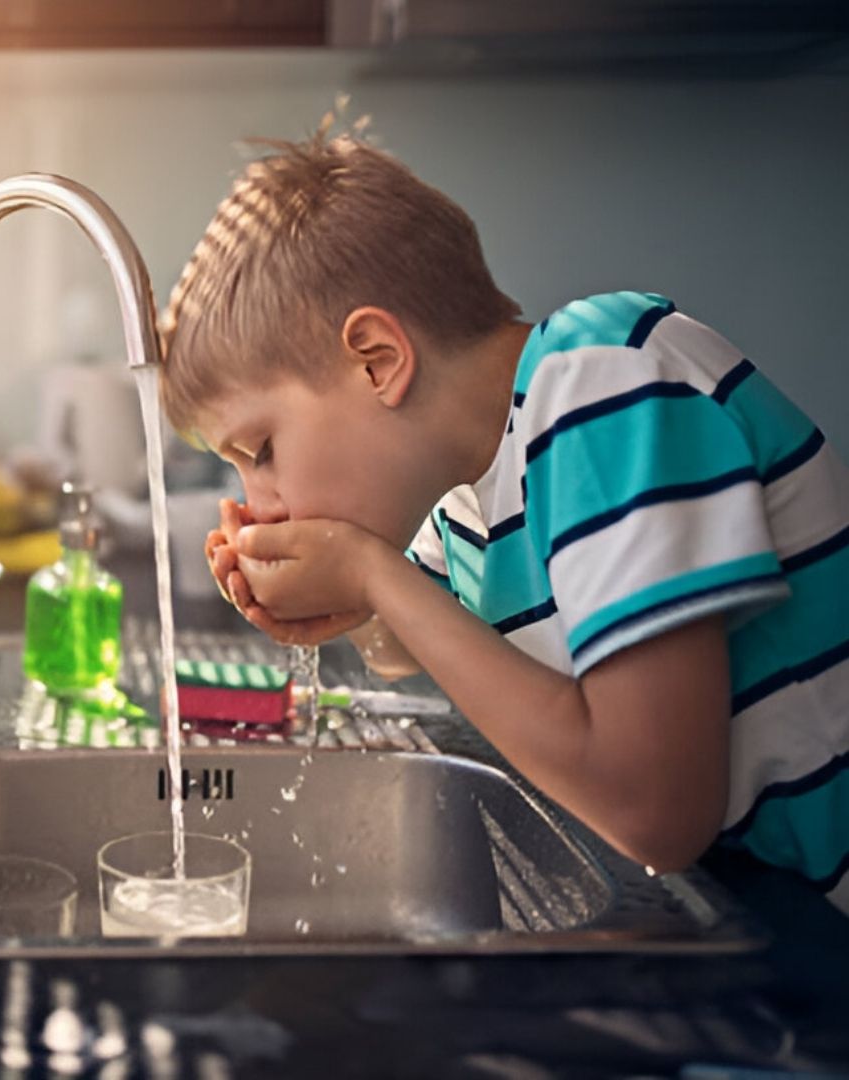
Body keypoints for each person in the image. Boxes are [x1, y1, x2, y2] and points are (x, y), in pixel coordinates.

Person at [158, 127, 849, 915]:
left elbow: (656, 815)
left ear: (377, 360)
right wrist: (344, 606)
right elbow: (403, 651)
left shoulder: (601, 384)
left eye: (261, 449)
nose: (260, 500)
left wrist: (370, 572)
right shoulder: (466, 490)